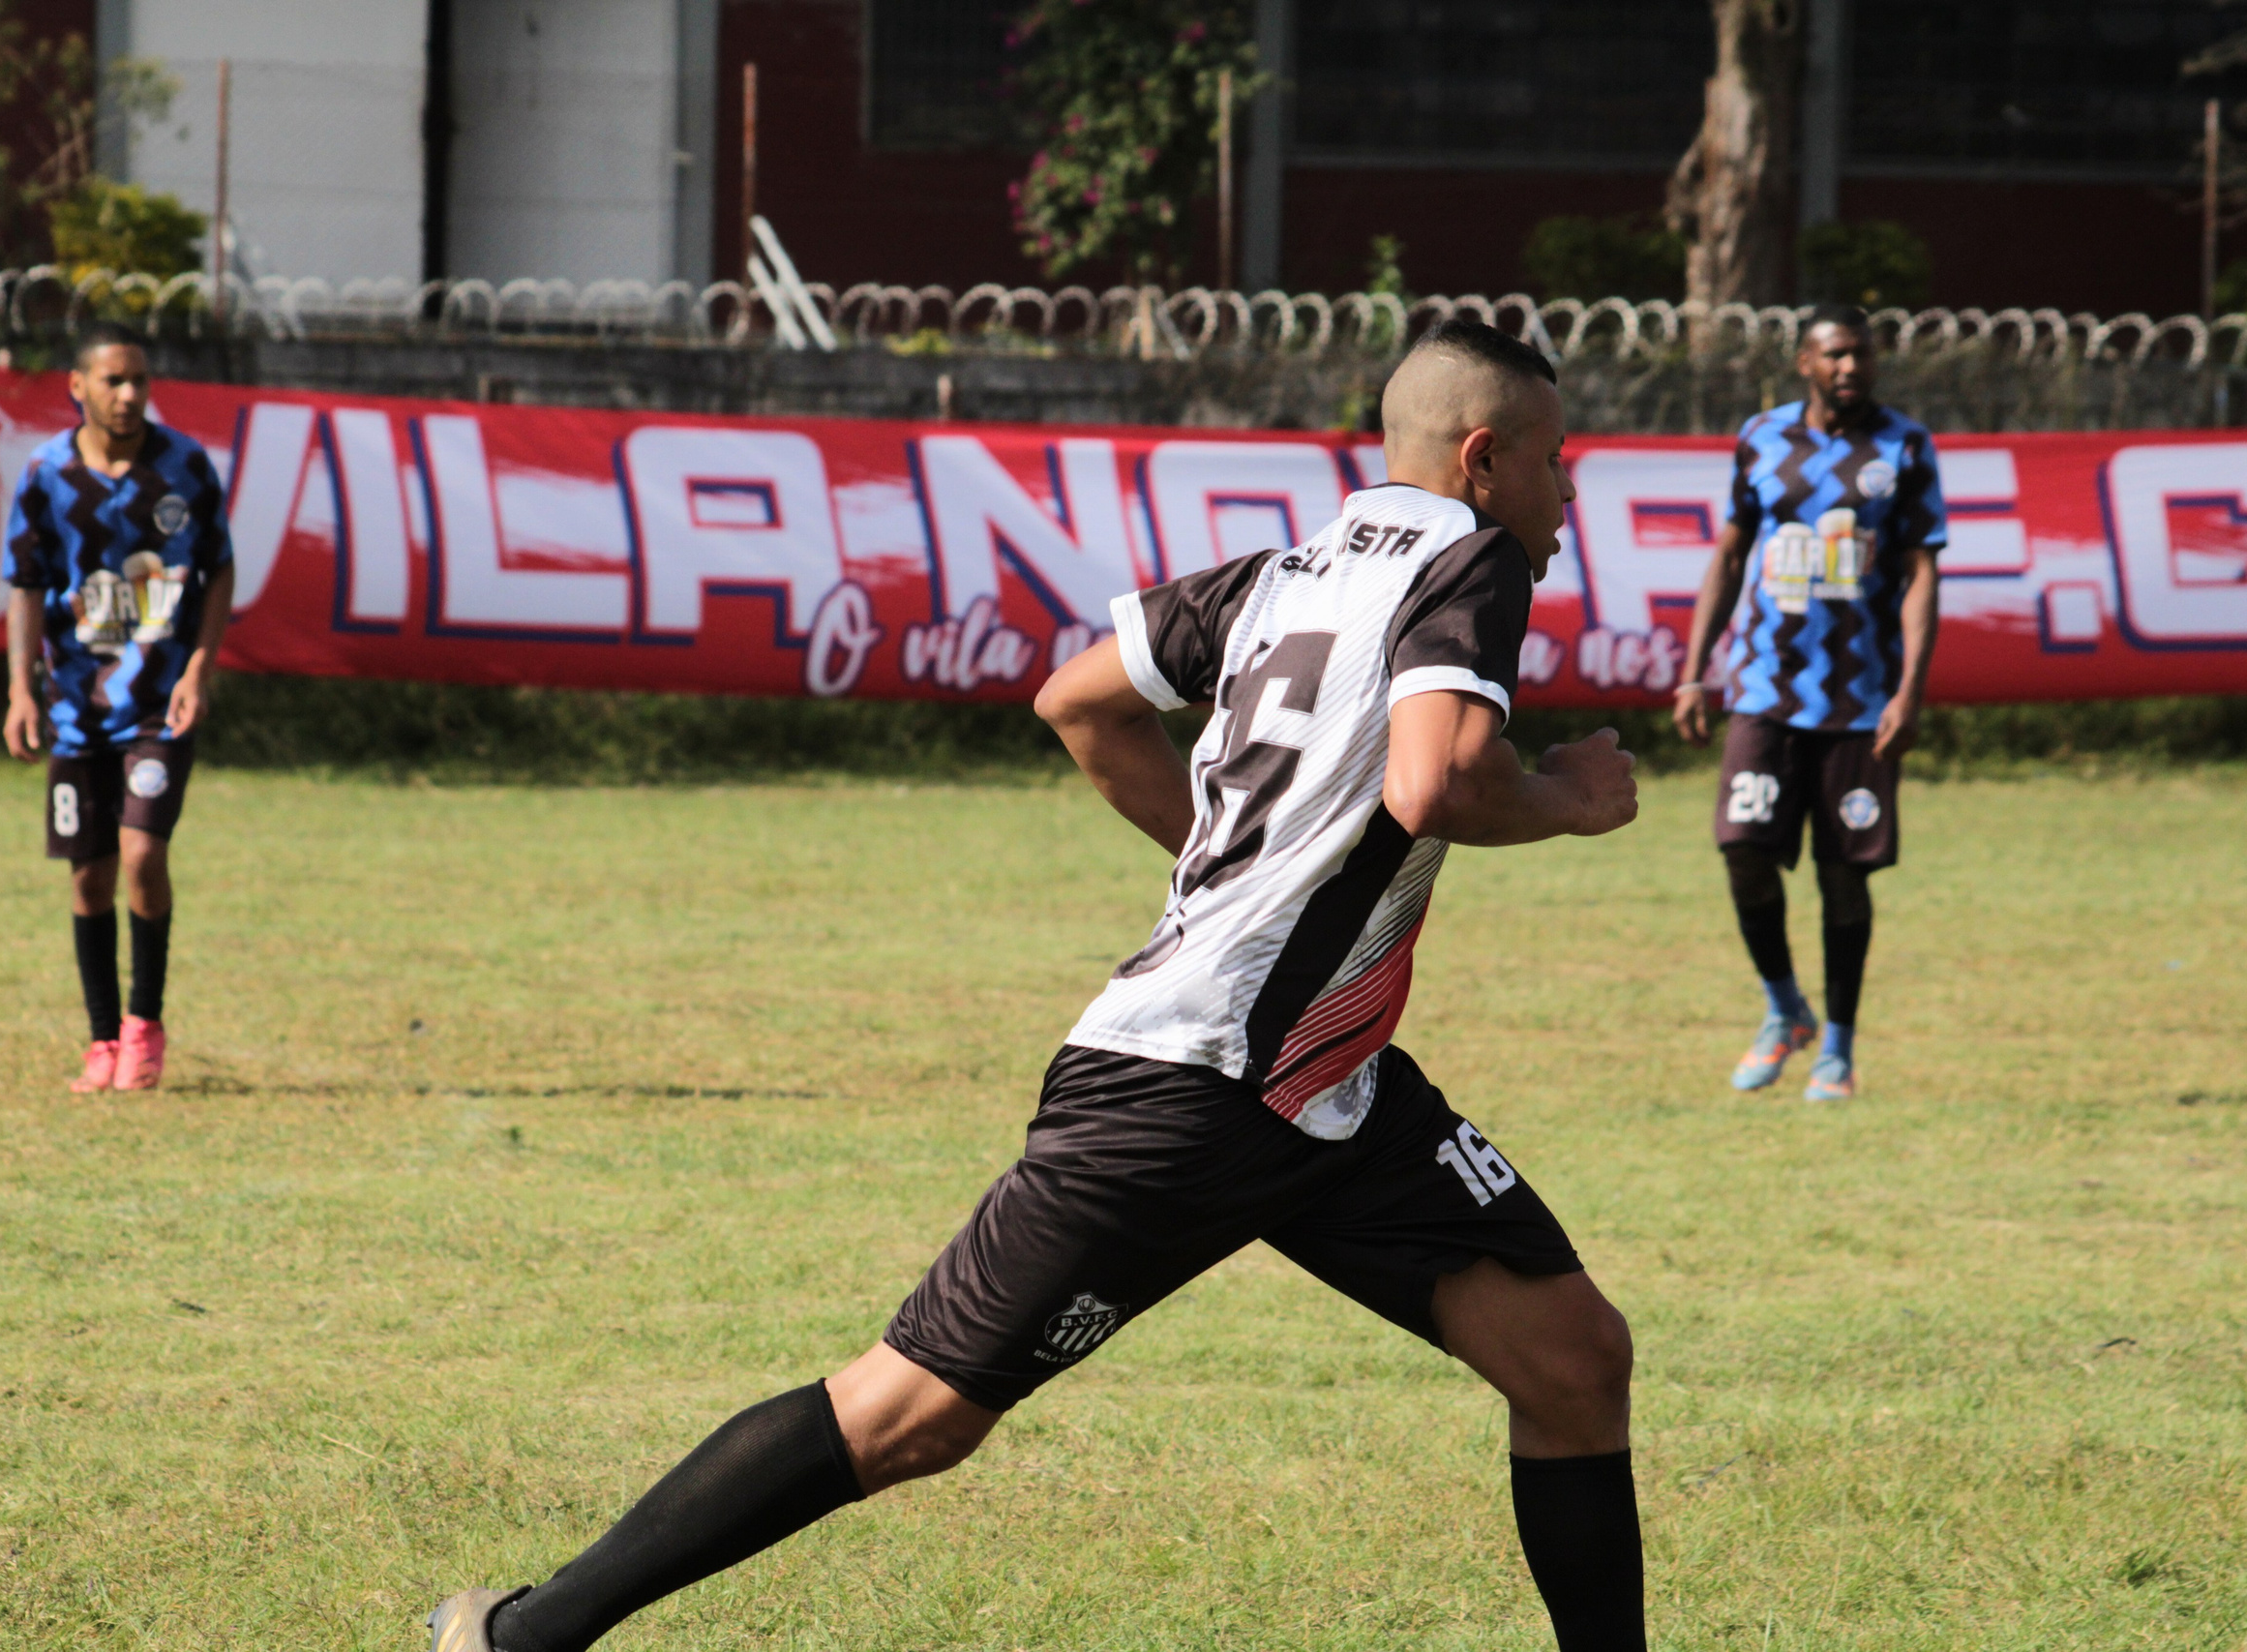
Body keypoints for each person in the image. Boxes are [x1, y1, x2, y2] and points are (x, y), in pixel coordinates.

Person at [429, 317, 1646, 1652]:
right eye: (1554, 460)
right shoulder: (1469, 555)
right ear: (1482, 460)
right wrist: (1574, 798)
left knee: (1573, 1358)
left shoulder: (1282, 574)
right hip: (1199, 1083)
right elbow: (1440, 779)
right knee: (908, 1415)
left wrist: (1230, 870)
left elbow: (1079, 700)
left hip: (1326, 1087)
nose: (1567, 492)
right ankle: (518, 1636)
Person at [1672, 303, 1945, 1103]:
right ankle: (1785, 1007)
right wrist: (1694, 671)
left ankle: (1839, 1049)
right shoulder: (1763, 438)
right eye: (1835, 354)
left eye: (1861, 353)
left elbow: (1922, 572)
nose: (1850, 367)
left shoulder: (1904, 446)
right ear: (1805, 363)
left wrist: (1910, 689)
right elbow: (1730, 554)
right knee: (1743, 849)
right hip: (1765, 687)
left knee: (1843, 876)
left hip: (1860, 700)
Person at [1, 321, 234, 1093]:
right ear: (79, 386)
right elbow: (26, 585)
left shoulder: (184, 468)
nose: (129, 394)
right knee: (88, 877)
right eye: (113, 380)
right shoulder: (47, 474)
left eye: (139, 379)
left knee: (142, 855)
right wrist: (21, 688)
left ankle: (145, 1025)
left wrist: (198, 668)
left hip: (159, 703)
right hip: (76, 706)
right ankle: (102, 1039)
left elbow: (219, 569)